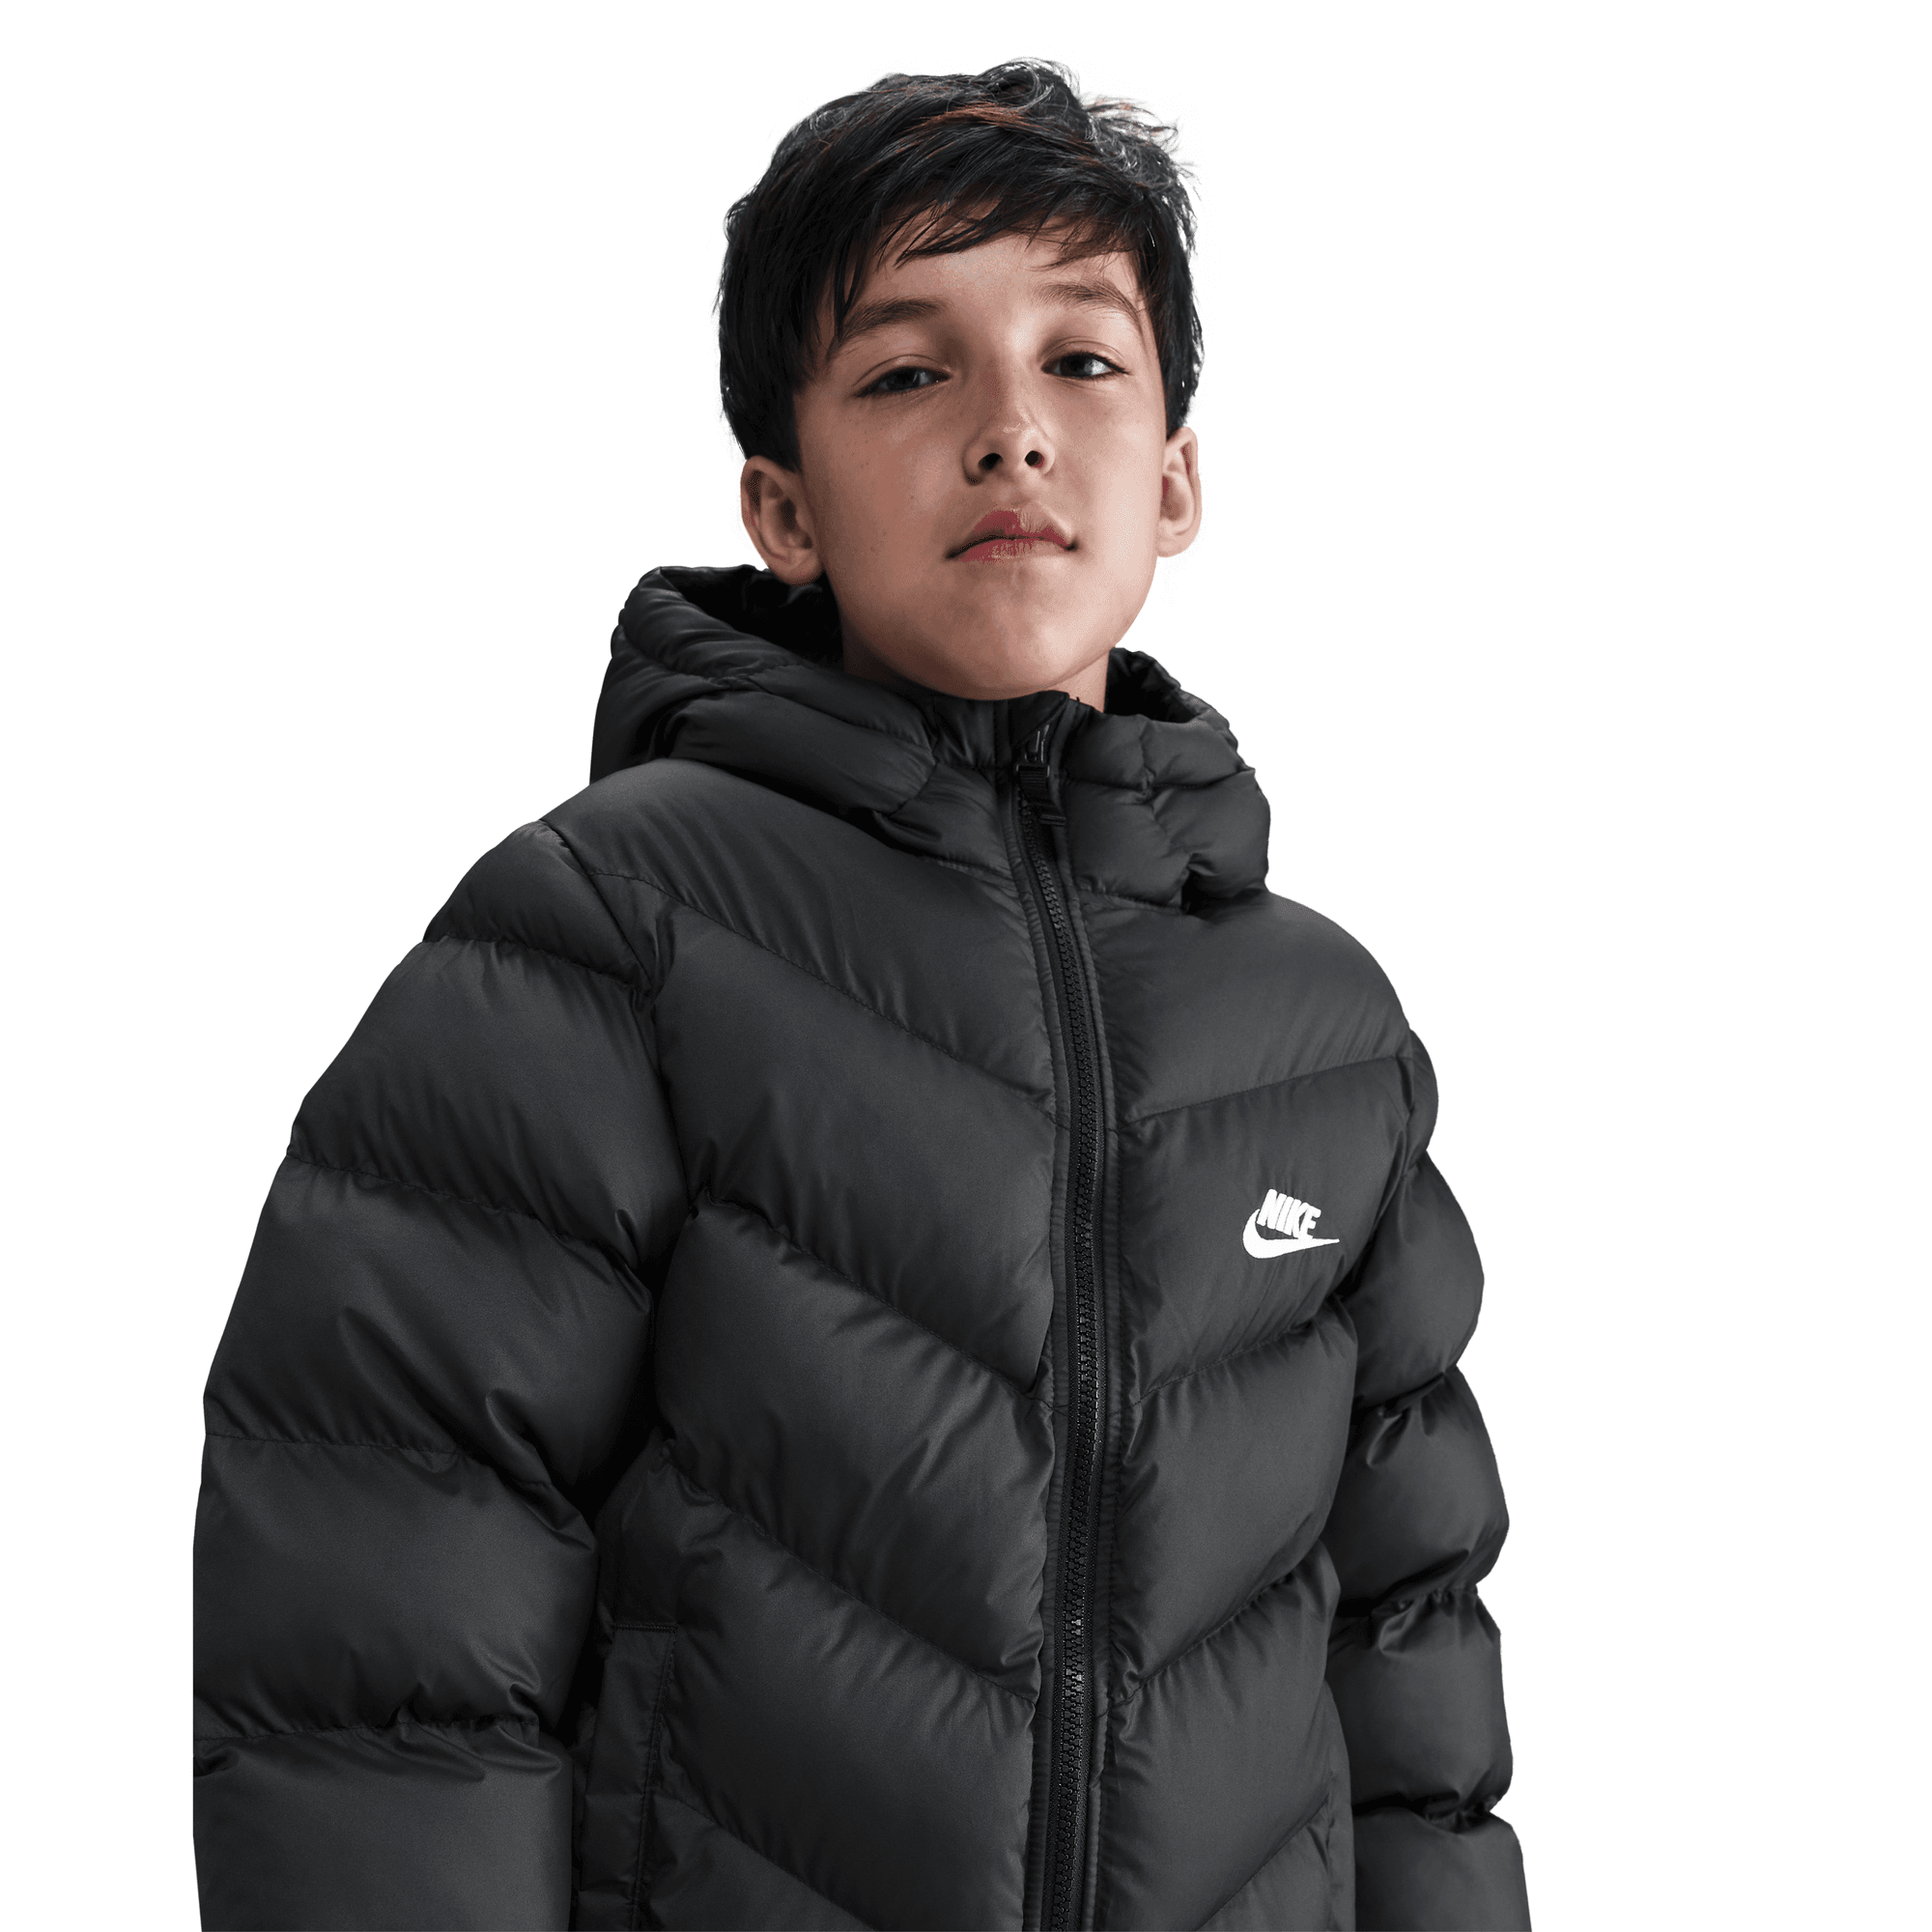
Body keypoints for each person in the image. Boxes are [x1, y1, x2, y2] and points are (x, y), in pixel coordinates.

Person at [193, 60, 1529, 1932]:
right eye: (909, 375)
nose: (1012, 432)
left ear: (1175, 478)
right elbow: (384, 1602)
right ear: (784, 505)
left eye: (1081, 360)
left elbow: (1408, 1646)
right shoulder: (610, 935)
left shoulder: (1320, 1028)